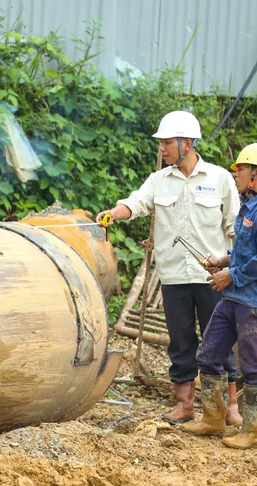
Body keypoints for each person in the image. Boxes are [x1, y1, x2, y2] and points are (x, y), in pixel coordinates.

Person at [98, 111, 242, 426]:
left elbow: (236, 229)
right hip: (174, 276)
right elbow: (136, 203)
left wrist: (234, 268)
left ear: (186, 143)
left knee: (218, 338)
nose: (162, 149)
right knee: (180, 340)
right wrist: (114, 212)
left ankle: (231, 406)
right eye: (161, 143)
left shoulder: (219, 179)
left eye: (166, 143)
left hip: (212, 278)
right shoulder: (158, 181)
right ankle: (184, 403)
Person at [182, 142, 257, 449]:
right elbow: (247, 251)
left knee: (254, 365)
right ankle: (213, 419)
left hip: (255, 301)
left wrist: (232, 274)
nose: (237, 174)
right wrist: (224, 260)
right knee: (209, 353)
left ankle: (253, 430)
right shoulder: (249, 206)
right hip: (235, 297)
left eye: (241, 169)